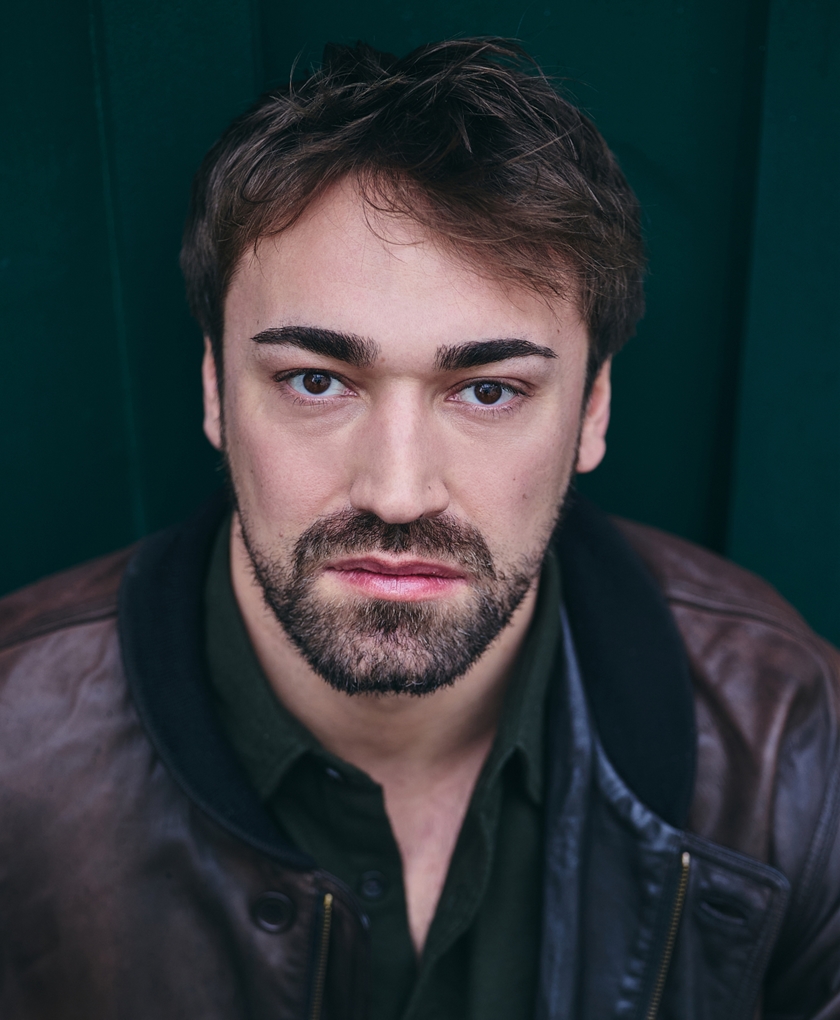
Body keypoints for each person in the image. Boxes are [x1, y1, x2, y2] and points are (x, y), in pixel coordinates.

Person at [0, 37, 838, 1020]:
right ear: (216, 392)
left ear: (594, 411)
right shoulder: (15, 744)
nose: (397, 492)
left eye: (487, 390)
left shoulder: (795, 742)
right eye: (316, 381)